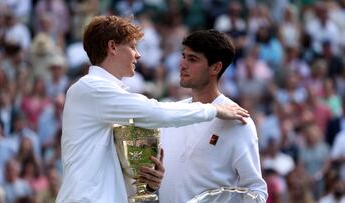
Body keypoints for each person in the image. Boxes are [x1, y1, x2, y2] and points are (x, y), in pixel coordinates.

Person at [55, 16, 249, 203]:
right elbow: (156, 112)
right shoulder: (91, 88)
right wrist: (214, 110)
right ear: (112, 47)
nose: (138, 54)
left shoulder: (107, 95)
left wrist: (149, 183)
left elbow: (114, 169)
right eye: (132, 47)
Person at [158, 30, 268, 203]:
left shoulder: (239, 122)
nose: (182, 65)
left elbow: (256, 192)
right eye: (183, 57)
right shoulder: (172, 112)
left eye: (192, 59)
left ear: (215, 67)